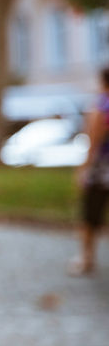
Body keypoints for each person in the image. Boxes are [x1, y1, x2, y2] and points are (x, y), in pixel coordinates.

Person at [69, 66, 109, 276]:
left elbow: (92, 142)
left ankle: (86, 258)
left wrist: (84, 169)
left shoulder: (101, 108)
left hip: (101, 171)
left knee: (89, 217)